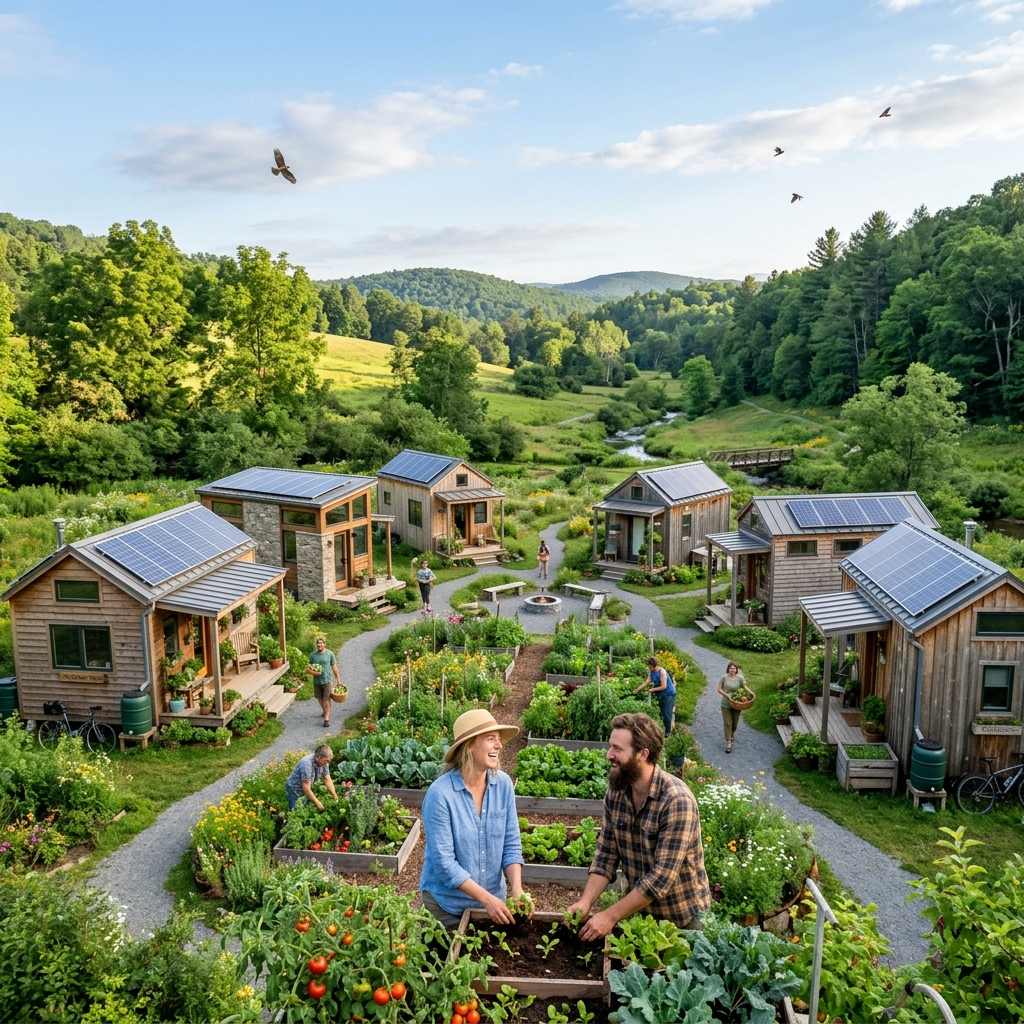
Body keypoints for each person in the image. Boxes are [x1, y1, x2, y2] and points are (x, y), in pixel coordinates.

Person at [567, 713, 710, 938]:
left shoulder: (676, 800)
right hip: (641, 917)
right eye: (610, 747)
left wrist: (610, 916)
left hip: (682, 920)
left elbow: (660, 878)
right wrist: (585, 903)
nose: (609, 755)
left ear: (643, 754)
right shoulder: (617, 793)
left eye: (617, 749)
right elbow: (606, 855)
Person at [419, 709, 530, 929]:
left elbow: (511, 844)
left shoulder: (504, 785)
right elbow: (444, 864)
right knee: (446, 962)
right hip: (447, 910)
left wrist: (517, 889)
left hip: (493, 907)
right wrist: (486, 899)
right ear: (469, 745)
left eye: (499, 739)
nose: (499, 745)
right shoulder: (440, 794)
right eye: (490, 739)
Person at [285, 744, 339, 810]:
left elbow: (327, 778)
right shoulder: (307, 764)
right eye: (326, 760)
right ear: (318, 757)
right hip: (294, 788)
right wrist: (317, 803)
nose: (328, 762)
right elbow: (306, 786)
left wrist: (334, 794)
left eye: (329, 760)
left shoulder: (324, 763)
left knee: (305, 808)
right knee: (296, 810)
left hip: (304, 789)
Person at [633, 656, 678, 736]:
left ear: (655, 665)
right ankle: (669, 726)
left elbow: (664, 686)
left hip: (669, 694)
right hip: (661, 694)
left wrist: (653, 690)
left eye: (650, 667)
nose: (649, 668)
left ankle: (668, 733)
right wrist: (638, 689)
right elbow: (647, 681)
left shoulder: (662, 672)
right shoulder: (651, 672)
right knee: (663, 713)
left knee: (666, 715)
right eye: (648, 667)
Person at [306, 636, 340, 728]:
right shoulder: (313, 655)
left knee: (326, 700)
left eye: (321, 643)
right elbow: (307, 669)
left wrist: (338, 680)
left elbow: (334, 667)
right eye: (318, 643)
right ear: (316, 645)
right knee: (320, 699)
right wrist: (314, 673)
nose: (319, 645)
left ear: (324, 644)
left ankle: (326, 719)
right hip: (317, 681)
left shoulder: (330, 654)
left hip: (327, 681)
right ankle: (325, 711)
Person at [717, 660, 747, 753]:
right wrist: (727, 695)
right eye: (731, 668)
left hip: (736, 704)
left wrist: (752, 693)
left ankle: (731, 735)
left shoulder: (740, 678)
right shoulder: (724, 678)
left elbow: (744, 688)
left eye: (734, 668)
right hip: (726, 704)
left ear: (736, 670)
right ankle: (729, 742)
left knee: (734, 724)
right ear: (728, 669)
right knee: (728, 723)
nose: (732, 670)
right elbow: (719, 689)